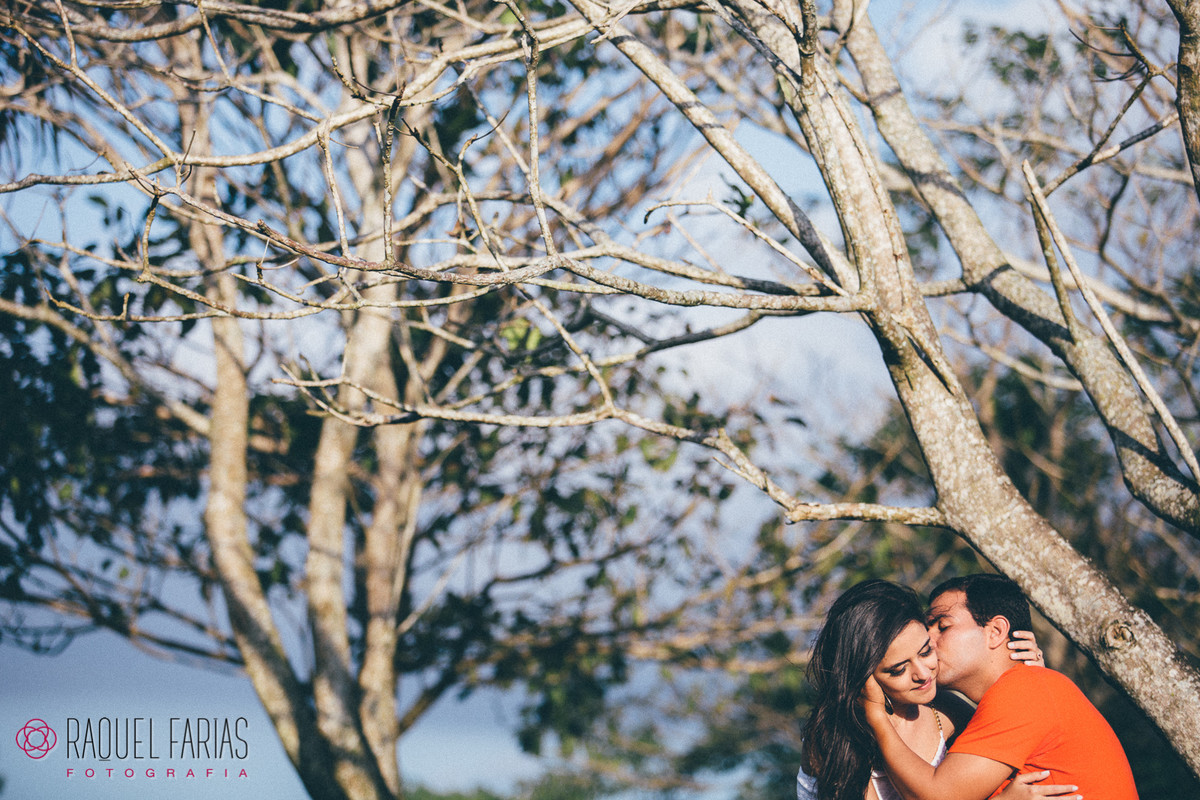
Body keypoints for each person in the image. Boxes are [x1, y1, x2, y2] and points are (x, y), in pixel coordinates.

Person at [863, 573, 1138, 800]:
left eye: (942, 626)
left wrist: (876, 715)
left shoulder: (1024, 689)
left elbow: (937, 796)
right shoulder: (1029, 688)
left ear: (995, 632)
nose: (927, 639)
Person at [797, 579, 1074, 800]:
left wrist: (1025, 674)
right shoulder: (833, 738)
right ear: (863, 678)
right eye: (898, 670)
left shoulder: (947, 711)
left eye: (926, 651)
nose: (922, 673)